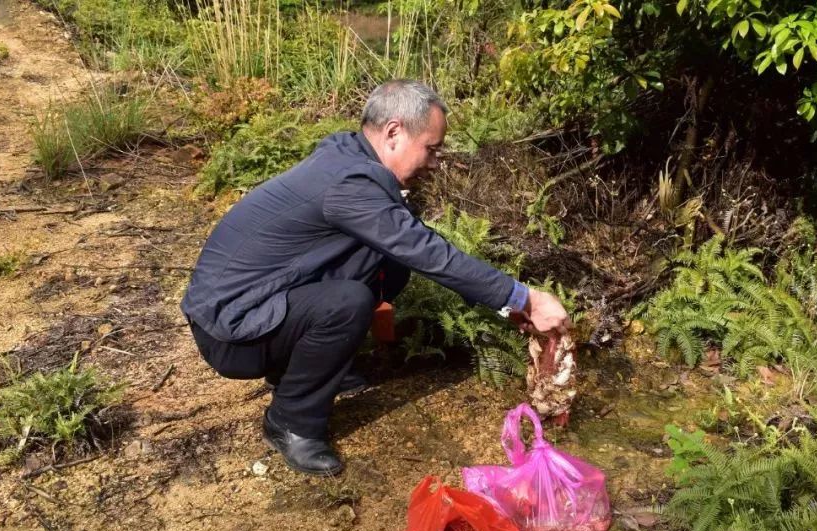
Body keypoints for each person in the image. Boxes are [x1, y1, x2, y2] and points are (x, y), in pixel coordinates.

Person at [181, 79, 571, 475]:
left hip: (252, 303)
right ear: (394, 132)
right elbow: (429, 253)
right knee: (348, 303)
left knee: (388, 267)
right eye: (432, 149)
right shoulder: (351, 183)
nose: (435, 163)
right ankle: (291, 423)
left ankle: (305, 370)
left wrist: (508, 307)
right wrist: (526, 298)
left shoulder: (348, 159)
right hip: (232, 330)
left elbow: (414, 247)